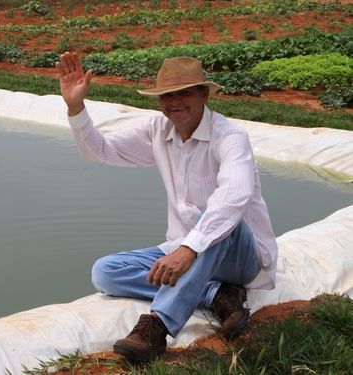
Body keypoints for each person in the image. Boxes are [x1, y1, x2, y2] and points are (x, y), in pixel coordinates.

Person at [55, 52, 278, 364]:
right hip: (185, 248)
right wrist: (76, 107)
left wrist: (189, 248)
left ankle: (156, 328)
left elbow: (234, 197)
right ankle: (216, 296)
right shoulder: (157, 130)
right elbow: (102, 151)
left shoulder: (230, 137)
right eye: (166, 95)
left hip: (241, 256)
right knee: (105, 272)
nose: (174, 102)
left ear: (204, 94)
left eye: (184, 93)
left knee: (215, 217)